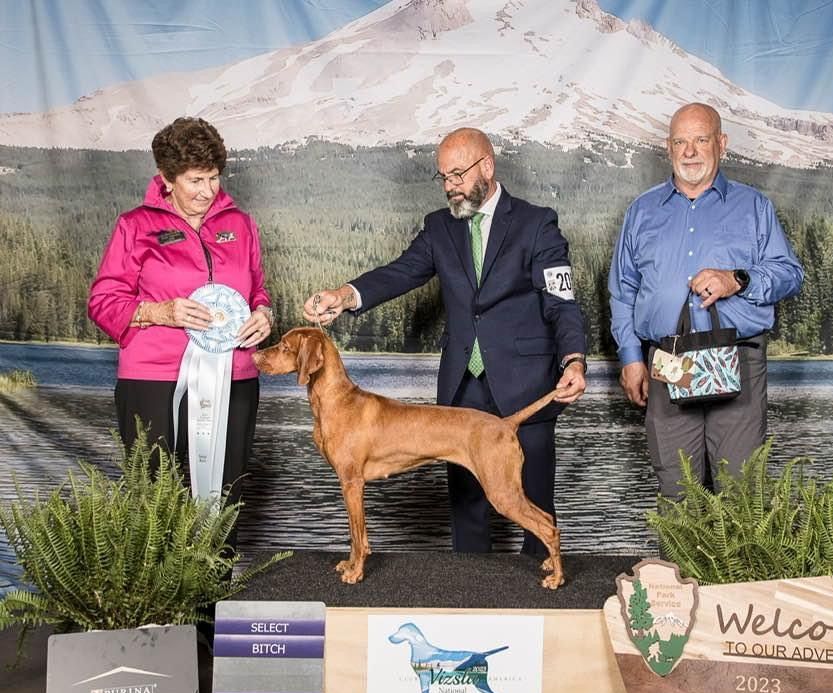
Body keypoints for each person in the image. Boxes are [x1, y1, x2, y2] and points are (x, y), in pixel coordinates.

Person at [303, 127, 587, 556]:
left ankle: (541, 593)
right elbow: (402, 272)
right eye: (444, 178)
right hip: (461, 389)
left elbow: (561, 301)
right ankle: (467, 602)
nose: (451, 186)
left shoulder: (536, 223)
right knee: (467, 511)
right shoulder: (439, 227)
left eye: (458, 175)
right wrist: (345, 296)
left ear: (486, 166)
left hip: (527, 384)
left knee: (530, 502)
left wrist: (575, 360)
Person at [88, 116, 274, 539]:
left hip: (234, 376)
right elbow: (103, 302)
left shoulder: (240, 225)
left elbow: (258, 290)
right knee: (154, 502)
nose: (208, 191)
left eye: (213, 178)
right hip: (153, 378)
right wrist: (161, 313)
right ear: (166, 178)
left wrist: (264, 315)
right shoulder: (135, 225)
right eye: (195, 180)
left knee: (223, 499)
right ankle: (161, 604)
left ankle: (214, 601)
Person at [608, 103, 803, 497]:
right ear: (668, 147)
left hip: (738, 358)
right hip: (669, 360)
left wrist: (737, 279)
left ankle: (736, 563)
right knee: (677, 489)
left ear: (721, 143)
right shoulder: (642, 211)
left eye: (700, 140)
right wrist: (631, 357)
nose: (690, 151)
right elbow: (622, 288)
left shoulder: (754, 207)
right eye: (680, 141)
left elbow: (789, 273)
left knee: (739, 489)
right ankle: (679, 562)